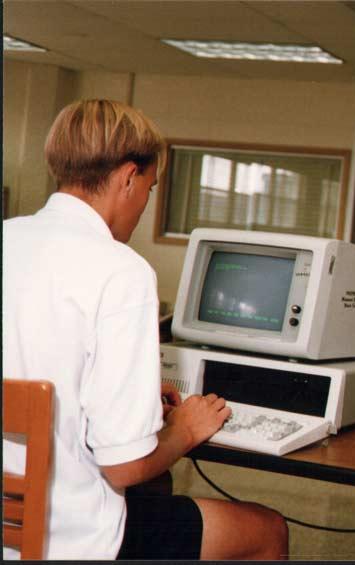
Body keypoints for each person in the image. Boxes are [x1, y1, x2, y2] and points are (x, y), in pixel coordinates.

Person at [2, 99, 288, 560]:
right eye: (150, 190)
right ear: (128, 177)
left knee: (160, 488)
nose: (142, 206)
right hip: (63, 538)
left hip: (6, 529)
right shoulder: (122, 271)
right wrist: (186, 430)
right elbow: (124, 467)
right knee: (266, 529)